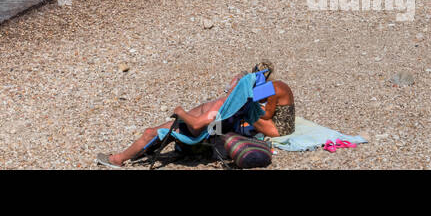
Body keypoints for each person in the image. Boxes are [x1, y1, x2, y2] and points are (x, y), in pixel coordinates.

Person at [100, 63, 294, 167]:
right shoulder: (235, 103)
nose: (231, 80)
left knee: (150, 132)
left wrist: (180, 112)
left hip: (188, 129)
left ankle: (117, 159)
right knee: (161, 130)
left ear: (237, 86)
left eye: (234, 79)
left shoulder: (222, 105)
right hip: (202, 129)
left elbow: (197, 125)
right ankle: (146, 150)